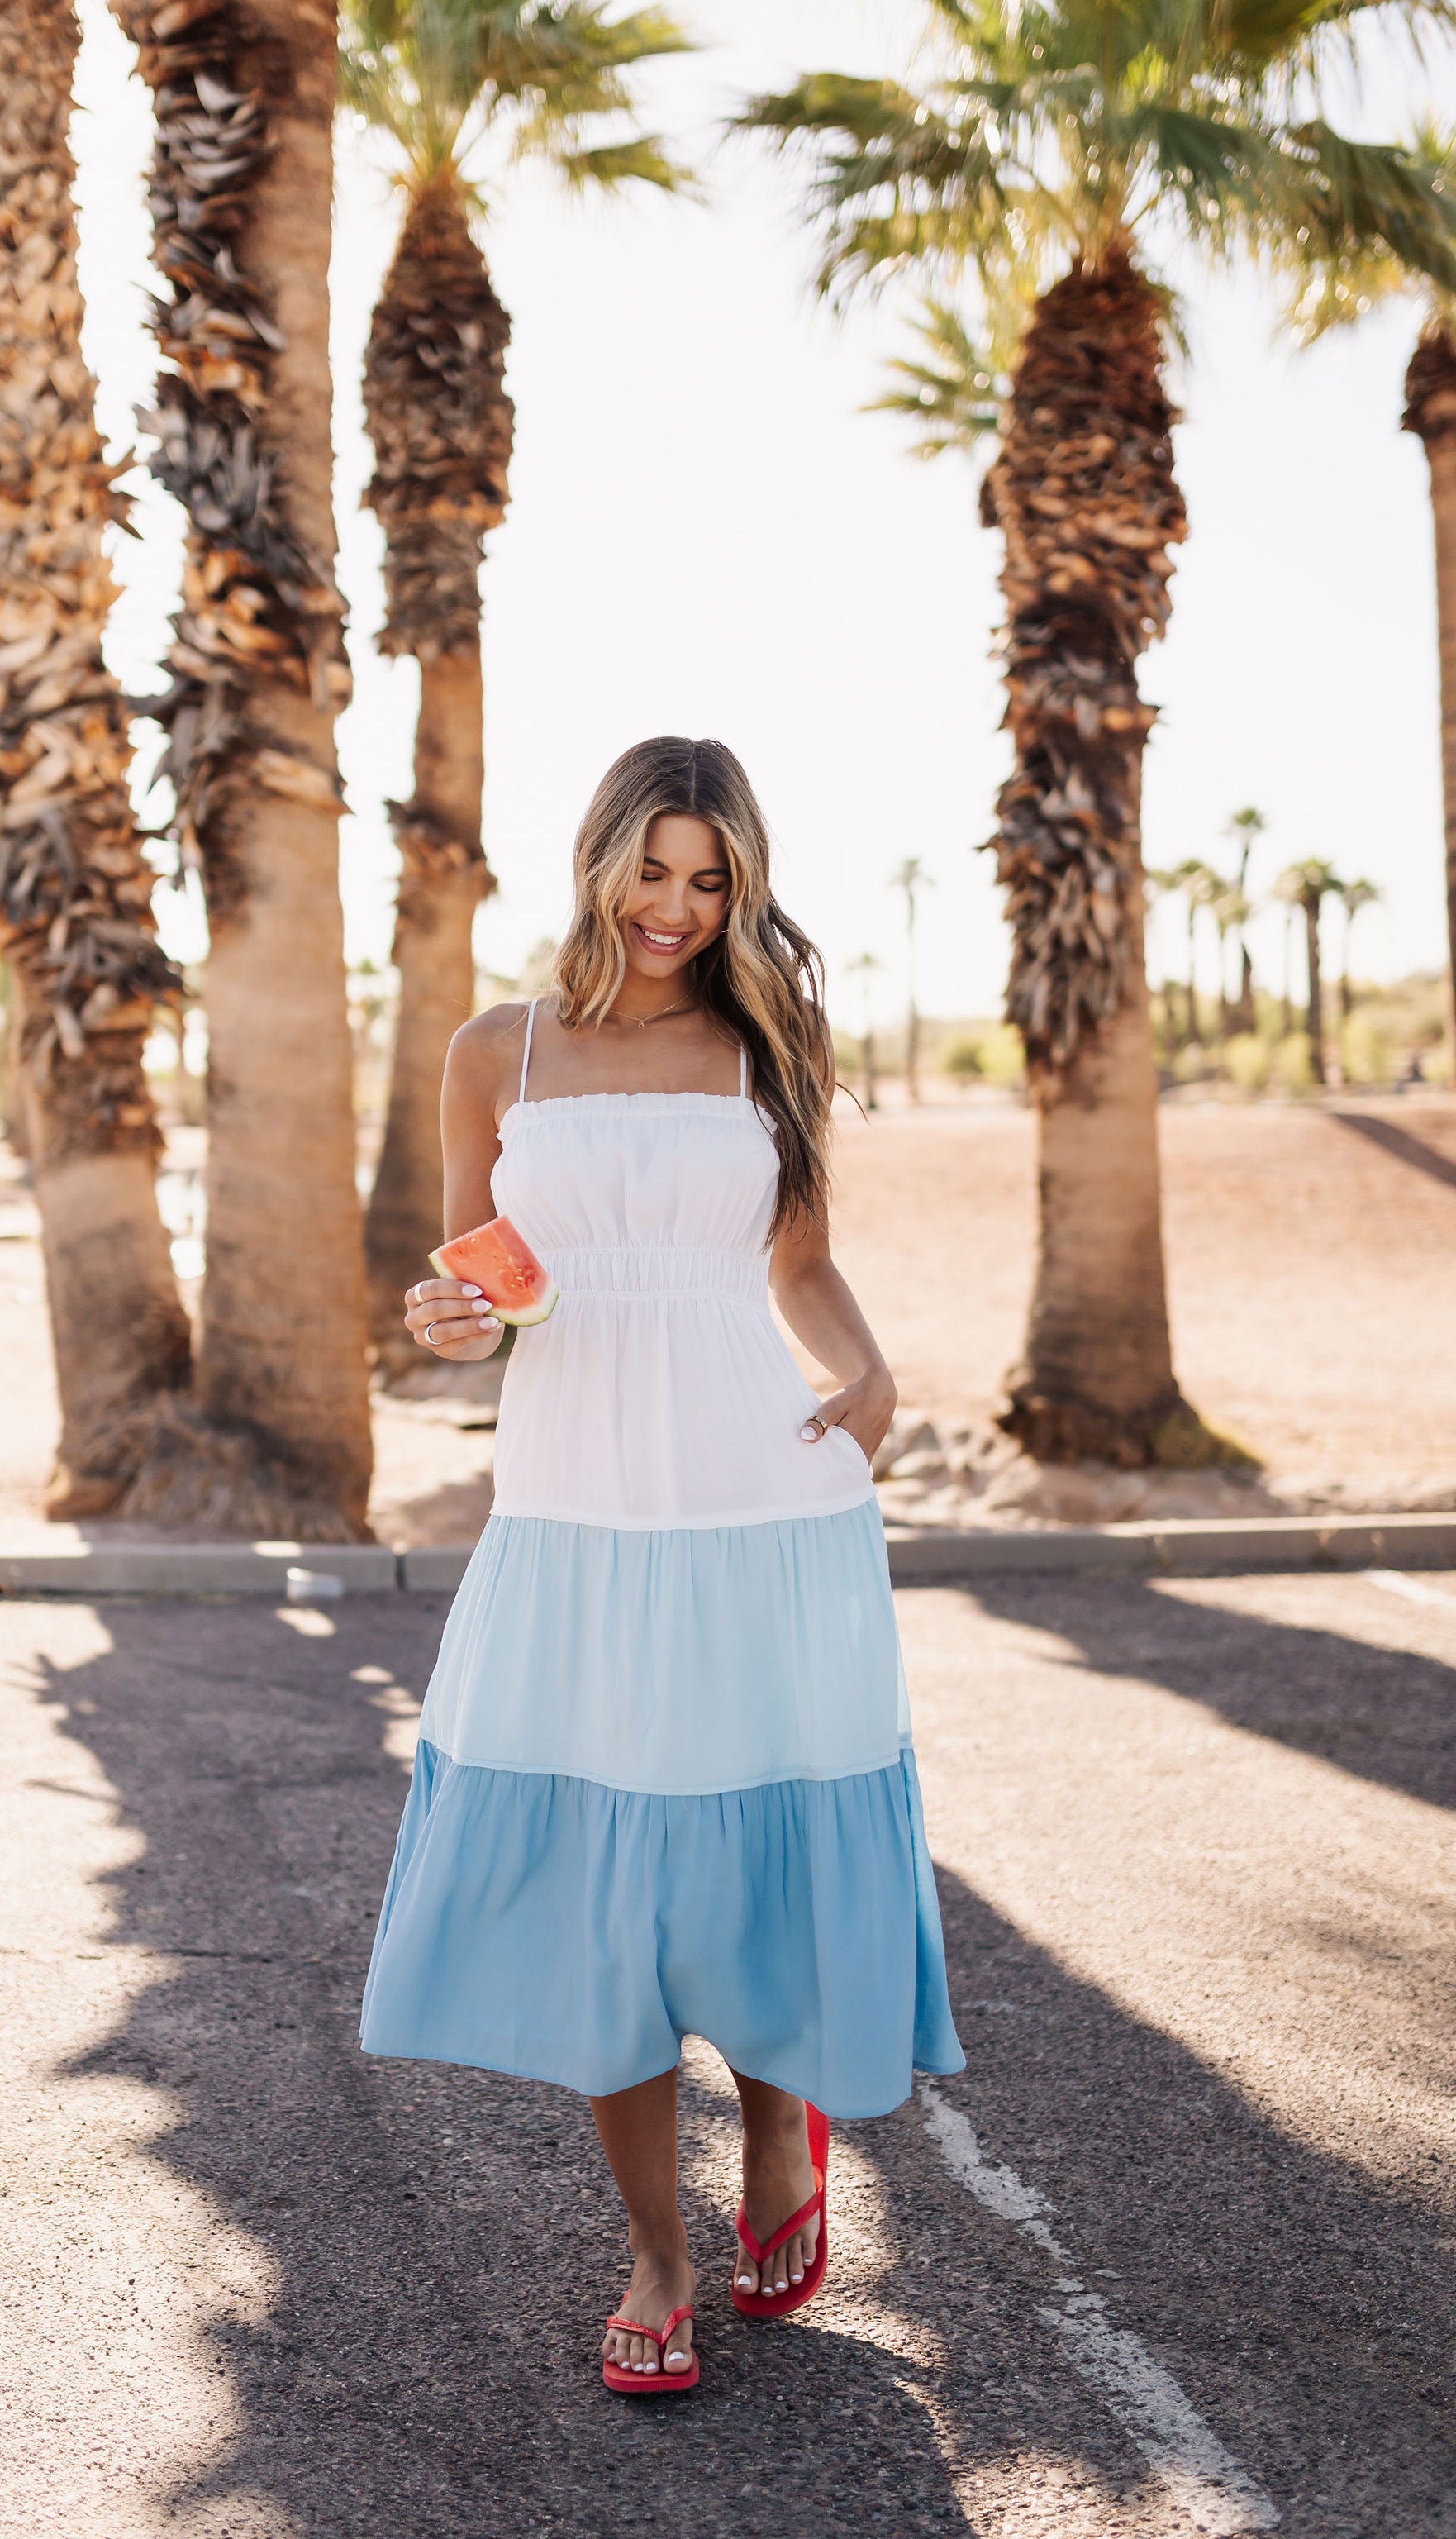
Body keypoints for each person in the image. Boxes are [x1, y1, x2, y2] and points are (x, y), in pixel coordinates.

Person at [360, 736, 963, 2395]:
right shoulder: (498, 1052)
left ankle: (779, 2137)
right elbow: (461, 1281)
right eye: (654, 871)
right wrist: (440, 1318)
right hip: (570, 1502)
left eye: (711, 880)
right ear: (600, 860)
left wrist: (872, 1374)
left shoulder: (771, 1042)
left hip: (763, 1486)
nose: (678, 909)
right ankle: (654, 2248)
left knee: (758, 1828)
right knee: (601, 1881)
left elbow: (807, 1267)